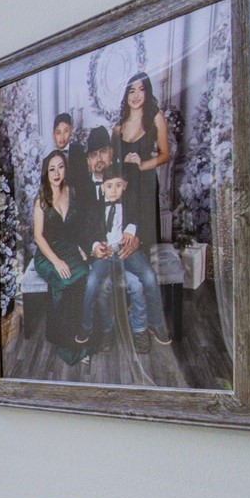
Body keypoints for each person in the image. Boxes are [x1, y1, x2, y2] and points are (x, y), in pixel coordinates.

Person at [111, 72, 172, 344]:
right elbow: (112, 168)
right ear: (126, 95)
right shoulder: (117, 127)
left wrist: (141, 164)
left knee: (143, 248)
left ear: (147, 92)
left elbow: (166, 154)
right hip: (124, 192)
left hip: (146, 188)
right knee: (126, 243)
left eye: (140, 90)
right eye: (130, 90)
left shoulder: (155, 117)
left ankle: (150, 321)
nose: (135, 95)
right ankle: (135, 311)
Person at [81, 173, 164, 355]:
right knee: (93, 281)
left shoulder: (132, 203)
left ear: (125, 185)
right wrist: (96, 245)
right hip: (106, 254)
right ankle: (87, 326)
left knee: (149, 277)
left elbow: (143, 220)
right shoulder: (94, 208)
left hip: (127, 252)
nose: (113, 191)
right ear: (102, 187)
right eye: (109, 186)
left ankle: (154, 324)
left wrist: (133, 229)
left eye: (118, 185)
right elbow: (88, 232)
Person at [30, 149, 90, 365]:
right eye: (51, 169)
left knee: (83, 274)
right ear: (46, 172)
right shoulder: (41, 200)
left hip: (67, 247)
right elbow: (38, 237)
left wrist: (79, 247)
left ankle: (74, 331)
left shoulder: (71, 191)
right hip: (47, 253)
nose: (56, 173)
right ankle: (68, 345)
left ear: (66, 168)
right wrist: (56, 261)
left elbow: (73, 228)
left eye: (60, 167)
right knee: (65, 282)